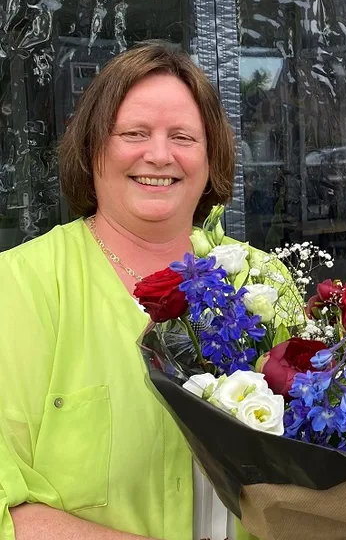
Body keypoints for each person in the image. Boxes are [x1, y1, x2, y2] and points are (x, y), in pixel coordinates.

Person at [0, 42, 266, 539]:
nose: (159, 155)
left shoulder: (261, 283)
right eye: (134, 133)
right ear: (92, 146)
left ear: (212, 156)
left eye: (183, 136)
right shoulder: (17, 288)